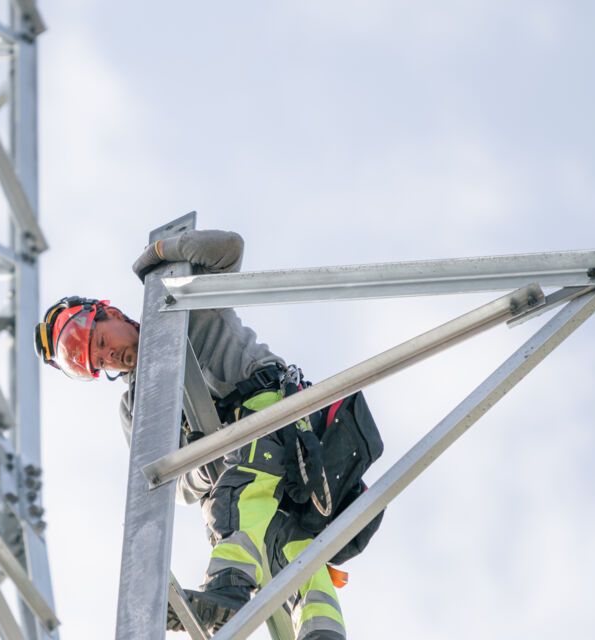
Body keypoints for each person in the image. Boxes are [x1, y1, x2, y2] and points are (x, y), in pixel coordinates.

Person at [35, 229, 384, 638]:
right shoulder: (137, 407)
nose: (108, 355)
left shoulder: (183, 305)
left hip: (275, 422)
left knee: (238, 493)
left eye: (100, 340)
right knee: (294, 558)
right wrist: (201, 462)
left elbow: (228, 249)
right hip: (242, 491)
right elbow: (170, 484)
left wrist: (164, 252)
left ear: (110, 313)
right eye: (98, 362)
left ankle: (228, 589)